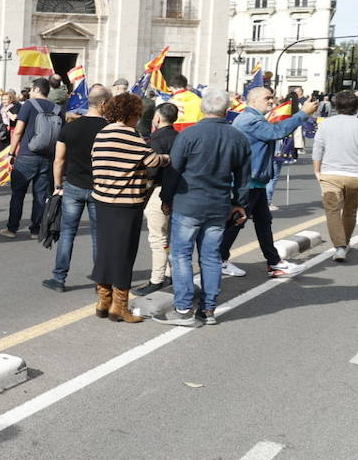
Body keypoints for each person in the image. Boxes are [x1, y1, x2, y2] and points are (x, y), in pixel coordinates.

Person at [159, 90, 252, 327]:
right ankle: (208, 309)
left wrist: (165, 198)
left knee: (181, 255)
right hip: (218, 205)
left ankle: (183, 308)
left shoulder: (189, 134)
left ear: (203, 108)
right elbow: (243, 177)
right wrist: (239, 203)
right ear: (227, 109)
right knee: (211, 257)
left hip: (188, 203)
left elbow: (174, 170)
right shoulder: (238, 137)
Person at [220, 86, 318, 278]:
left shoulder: (251, 118)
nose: (271, 101)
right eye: (267, 98)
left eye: (272, 98)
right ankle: (220, 259)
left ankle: (274, 263)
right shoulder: (250, 120)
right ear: (253, 101)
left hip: (255, 181)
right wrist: (302, 114)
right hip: (248, 182)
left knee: (263, 222)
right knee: (236, 223)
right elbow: (277, 131)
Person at [89, 93, 170, 323]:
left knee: (105, 251)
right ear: (132, 114)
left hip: (102, 200)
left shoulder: (102, 133)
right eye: (138, 115)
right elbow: (152, 160)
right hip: (125, 203)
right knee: (124, 254)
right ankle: (119, 307)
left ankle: (103, 301)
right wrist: (167, 158)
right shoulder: (130, 135)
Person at [44, 86, 111, 291]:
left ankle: (59, 278)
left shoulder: (70, 127)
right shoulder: (109, 128)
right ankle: (101, 281)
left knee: (67, 233)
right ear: (103, 104)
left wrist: (57, 185)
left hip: (73, 185)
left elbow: (58, 160)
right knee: (98, 235)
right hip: (99, 187)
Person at [313, 90, 358, 262]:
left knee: (332, 211)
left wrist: (317, 170)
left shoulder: (325, 124)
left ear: (336, 106)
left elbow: (318, 149)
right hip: (355, 174)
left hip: (330, 173)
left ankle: (340, 246)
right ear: (356, 107)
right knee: (350, 211)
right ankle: (345, 243)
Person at [1, 78, 59, 239]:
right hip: (47, 156)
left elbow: (18, 131)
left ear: (37, 90)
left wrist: (11, 153)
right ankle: (35, 229)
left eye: (32, 89)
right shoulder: (57, 108)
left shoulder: (29, 105)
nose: (31, 92)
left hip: (27, 154)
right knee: (40, 194)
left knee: (18, 193)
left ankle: (12, 228)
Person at [135, 102, 180, 296]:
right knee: (167, 236)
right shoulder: (180, 137)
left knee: (157, 238)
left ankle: (157, 279)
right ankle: (168, 273)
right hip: (178, 191)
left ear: (158, 118)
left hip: (159, 190)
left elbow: (152, 169)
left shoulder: (156, 139)